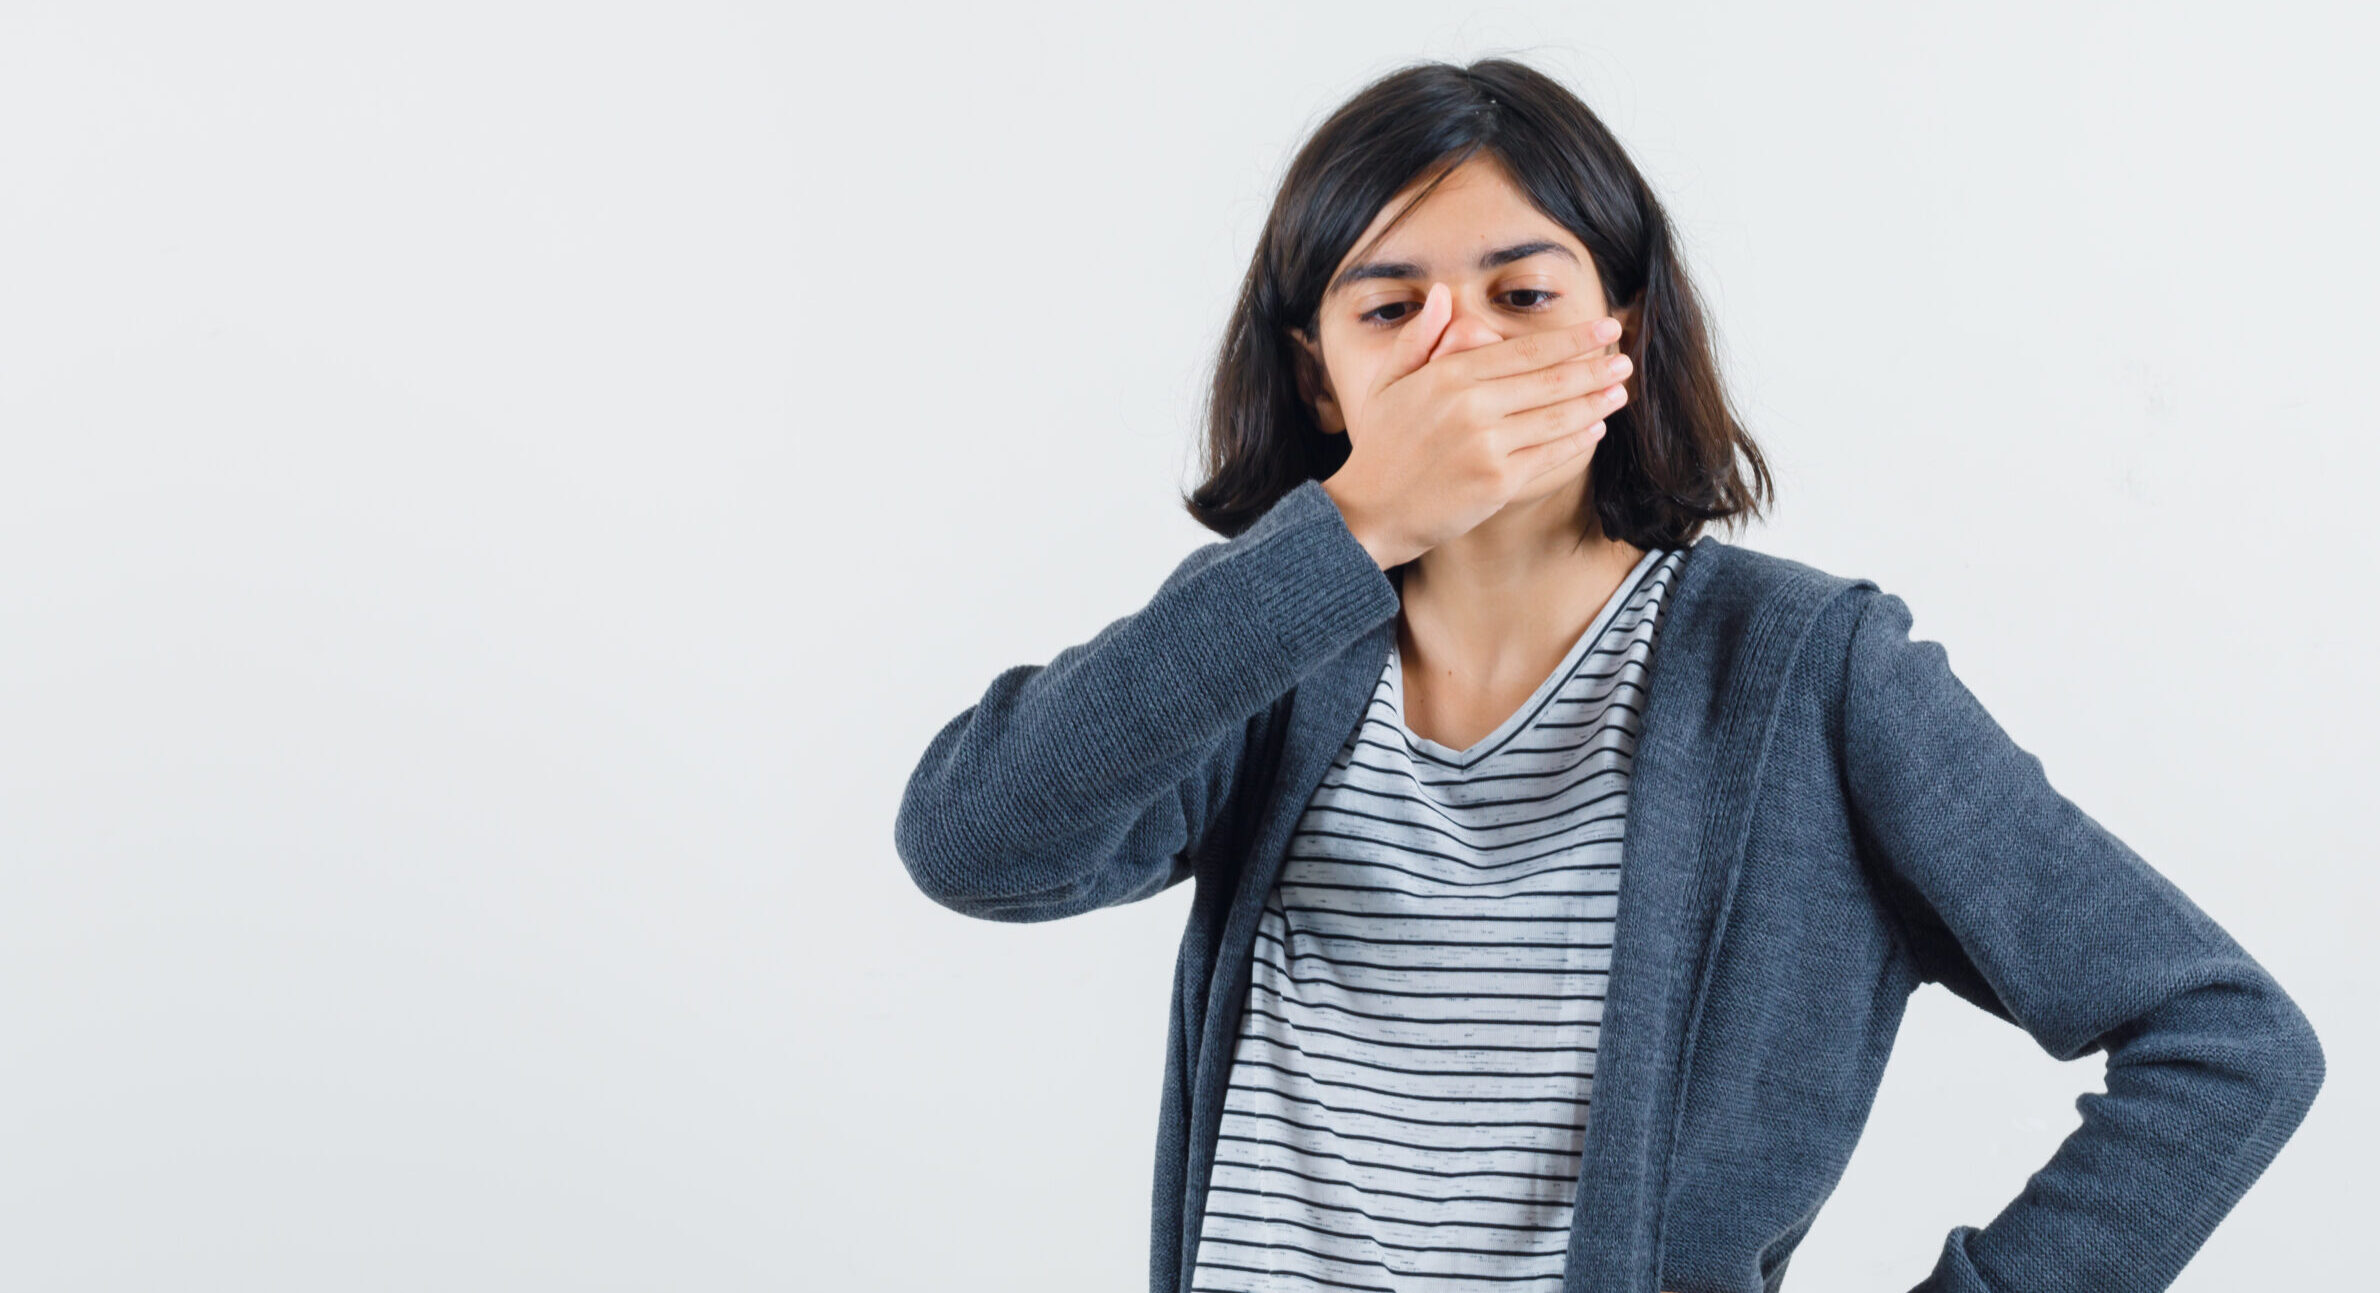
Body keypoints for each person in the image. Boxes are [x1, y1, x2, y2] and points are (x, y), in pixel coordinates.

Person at [892, 58, 2322, 1293]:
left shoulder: (1806, 673)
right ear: (1320, 377)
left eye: (1520, 292)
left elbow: (2225, 1039)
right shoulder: (1266, 652)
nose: (1461, 355)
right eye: (1389, 312)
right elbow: (975, 841)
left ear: (1622, 333)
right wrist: (1359, 522)